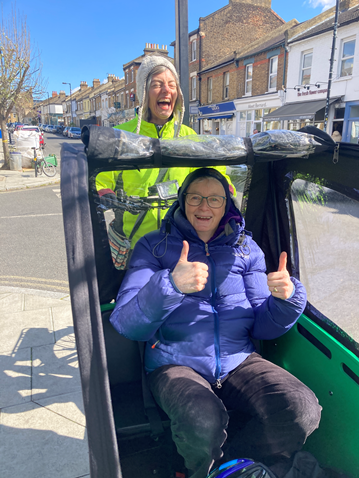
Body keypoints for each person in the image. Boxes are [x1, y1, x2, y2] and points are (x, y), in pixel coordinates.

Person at [110, 168, 322, 478]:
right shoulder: (154, 246)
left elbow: (264, 327)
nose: (204, 207)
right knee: (201, 420)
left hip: (239, 358)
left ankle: (237, 466)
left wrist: (284, 299)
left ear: (228, 205)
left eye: (214, 199)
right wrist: (170, 286)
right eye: (195, 198)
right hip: (174, 361)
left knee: (301, 409)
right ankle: (203, 471)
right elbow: (127, 323)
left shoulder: (247, 250)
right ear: (182, 202)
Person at [96, 54, 230, 269]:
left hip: (183, 243)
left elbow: (217, 176)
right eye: (157, 85)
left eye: (171, 85)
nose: (166, 91)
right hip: (135, 245)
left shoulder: (190, 137)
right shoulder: (119, 136)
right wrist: (109, 196)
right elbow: (99, 180)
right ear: (142, 93)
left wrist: (224, 187)